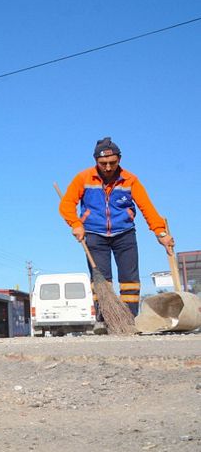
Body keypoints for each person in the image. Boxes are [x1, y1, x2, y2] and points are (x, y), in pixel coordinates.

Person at [59, 137, 174, 334]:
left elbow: (147, 208)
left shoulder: (130, 180)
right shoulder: (83, 178)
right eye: (103, 163)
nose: (108, 167)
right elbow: (66, 204)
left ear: (119, 159)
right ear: (96, 161)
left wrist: (160, 232)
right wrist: (76, 224)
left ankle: (129, 319)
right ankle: (104, 320)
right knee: (102, 280)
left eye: (113, 162)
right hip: (94, 234)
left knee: (130, 279)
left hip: (125, 234)